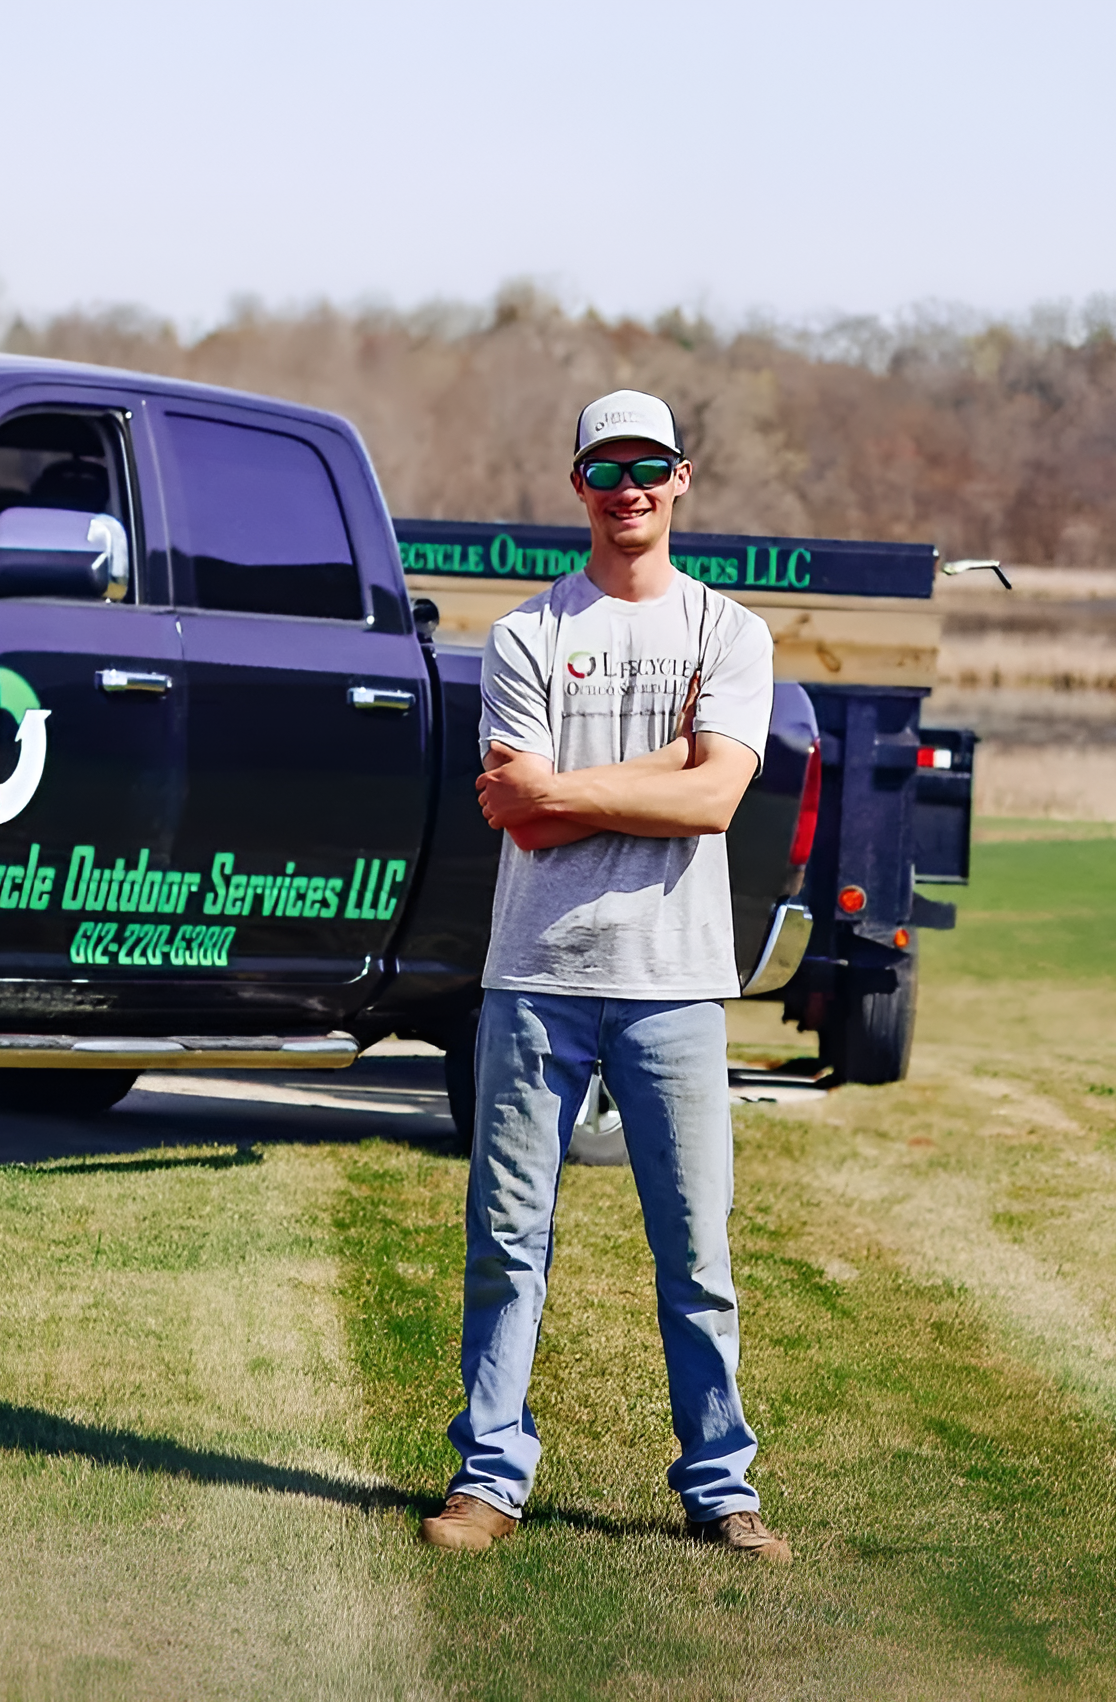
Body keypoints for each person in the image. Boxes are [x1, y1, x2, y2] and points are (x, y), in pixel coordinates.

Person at [419, 389, 791, 1563]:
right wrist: (667, 765)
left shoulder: (728, 633)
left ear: (682, 478)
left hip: (675, 984)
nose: (626, 485)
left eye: (647, 465)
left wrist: (567, 788)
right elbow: (521, 827)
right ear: (576, 483)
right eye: (604, 467)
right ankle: (488, 1477)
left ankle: (722, 1487)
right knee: (505, 1240)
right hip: (535, 977)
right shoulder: (529, 635)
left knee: (696, 1255)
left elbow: (716, 799)